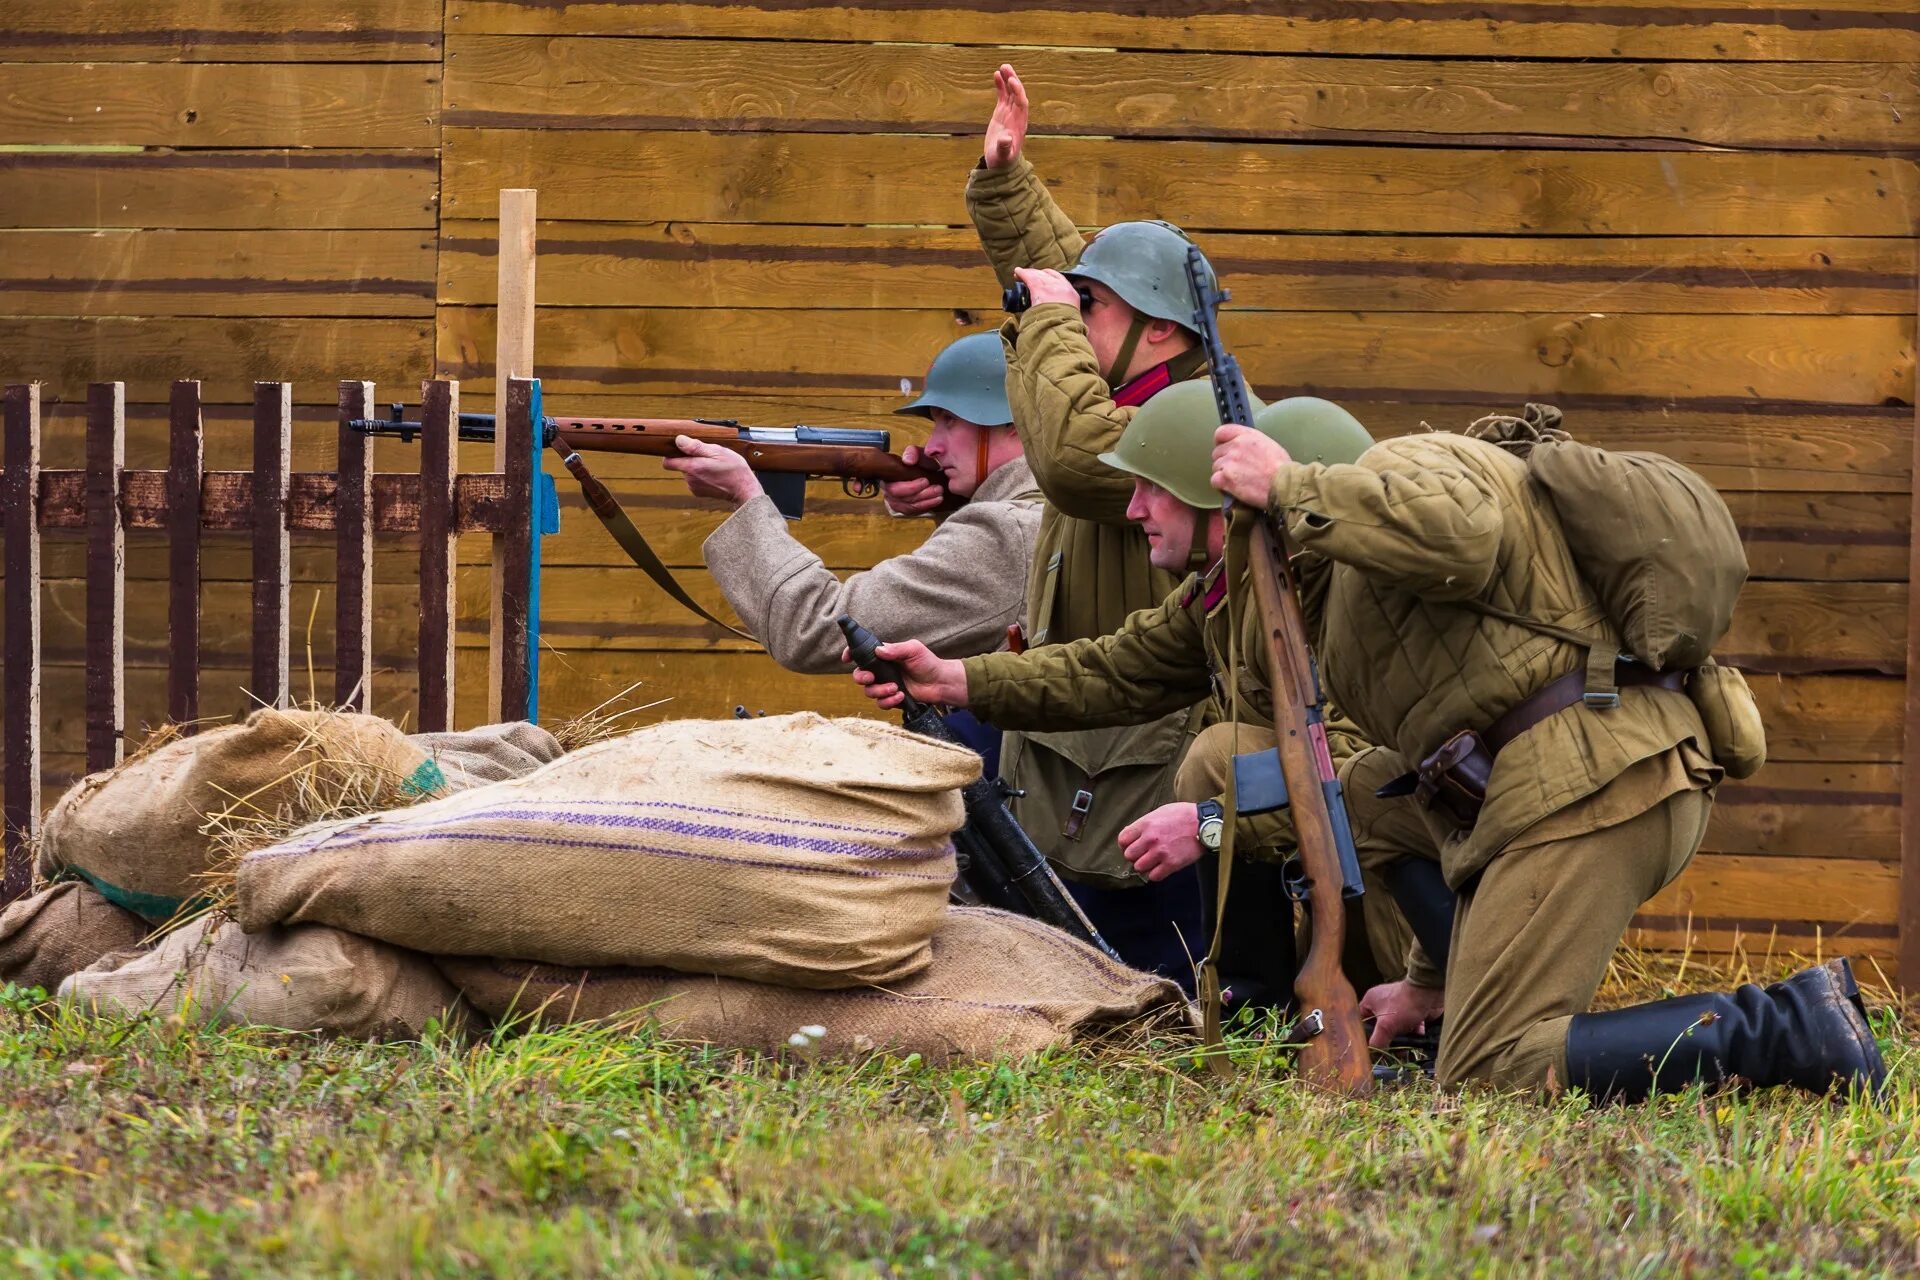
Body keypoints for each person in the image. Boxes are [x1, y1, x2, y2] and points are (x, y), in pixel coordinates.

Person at [1203, 409, 1886, 1098]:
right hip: (1570, 778)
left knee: (1490, 1069)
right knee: (1364, 797)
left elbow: (1461, 536)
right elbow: (1439, 794)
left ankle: (1782, 1026)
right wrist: (1426, 983)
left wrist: (1293, 486)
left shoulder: (1402, 467)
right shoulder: (1346, 593)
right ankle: (1462, 1005)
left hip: (1598, 778)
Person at [853, 383, 1418, 1001]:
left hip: (1425, 884)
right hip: (1366, 869)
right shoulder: (1234, 587)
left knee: (1223, 757)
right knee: (1224, 753)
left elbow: (1358, 778)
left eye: (1155, 489)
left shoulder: (1357, 604)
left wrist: (1209, 824)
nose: (1133, 509)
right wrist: (954, 679)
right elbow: (1118, 668)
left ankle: (1411, 1006)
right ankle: (1262, 1007)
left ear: (1220, 501)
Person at [881, 63, 1218, 980]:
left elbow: (1071, 460)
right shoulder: (1142, 379)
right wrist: (1008, 185)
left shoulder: (1191, 428)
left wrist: (1049, 323)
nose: (1075, 312)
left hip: (1141, 752)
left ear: (1158, 332)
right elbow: (1093, 286)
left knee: (1155, 971)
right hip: (1076, 720)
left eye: (1093, 309)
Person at [665, 332, 1038, 774]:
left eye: (949, 421)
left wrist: (746, 498)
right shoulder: (1053, 511)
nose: (933, 446)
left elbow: (813, 628)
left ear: (1013, 422)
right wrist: (949, 504)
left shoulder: (1004, 533)